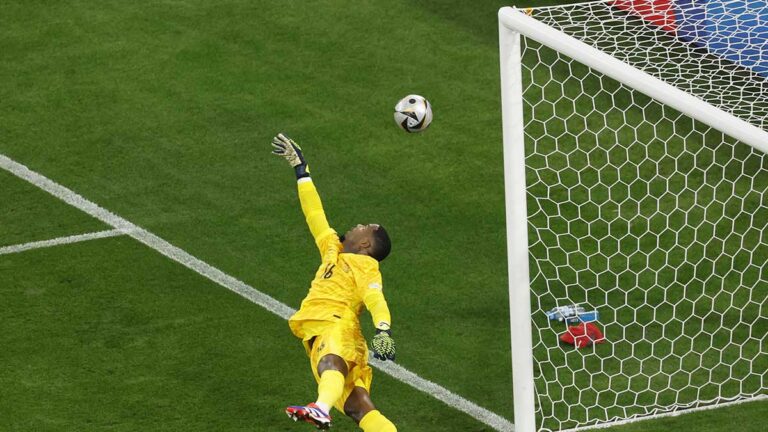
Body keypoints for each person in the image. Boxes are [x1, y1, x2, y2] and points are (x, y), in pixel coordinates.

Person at [271, 133, 398, 431]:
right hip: (323, 329)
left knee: (330, 362)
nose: (356, 225)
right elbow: (314, 214)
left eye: (363, 227)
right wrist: (302, 171)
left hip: (337, 325)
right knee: (360, 408)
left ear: (366, 244)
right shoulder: (333, 249)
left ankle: (320, 408)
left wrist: (383, 328)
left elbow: (374, 297)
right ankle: (324, 406)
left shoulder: (365, 265)